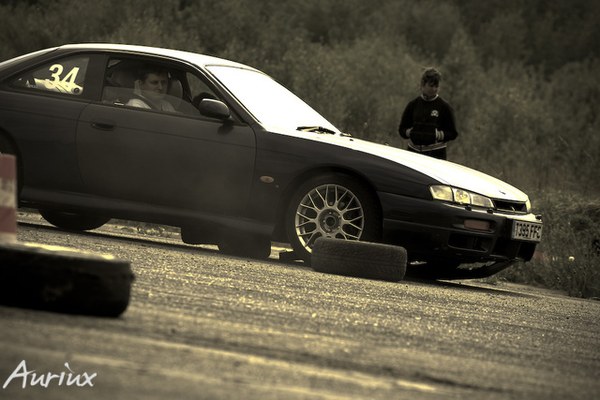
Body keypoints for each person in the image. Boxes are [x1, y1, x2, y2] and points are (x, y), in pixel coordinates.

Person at [398, 67, 458, 160]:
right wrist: (411, 133)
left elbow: (453, 133)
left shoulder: (444, 107)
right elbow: (402, 129)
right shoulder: (413, 105)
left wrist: (437, 135)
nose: (434, 89)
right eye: (431, 86)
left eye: (436, 86)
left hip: (436, 154)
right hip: (413, 153)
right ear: (423, 84)